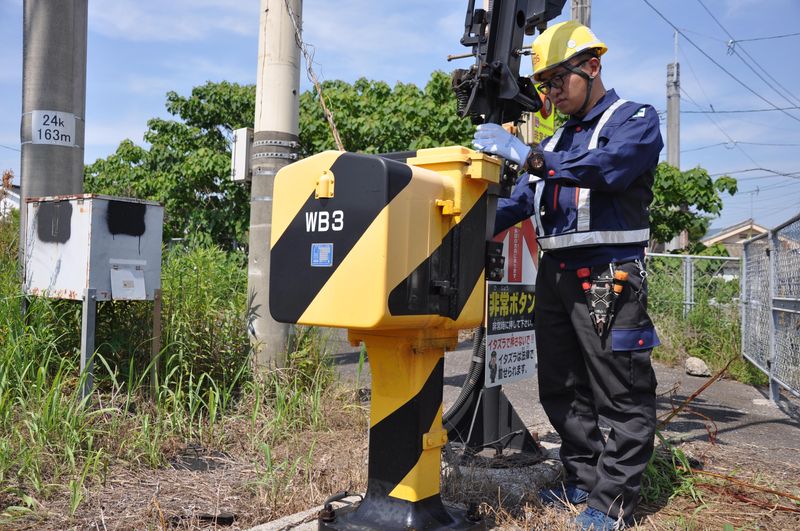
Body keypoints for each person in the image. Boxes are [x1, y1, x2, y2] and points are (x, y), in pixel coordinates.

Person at [472, 20, 663, 531]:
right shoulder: (558, 138)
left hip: (608, 273)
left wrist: (532, 156)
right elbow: (517, 204)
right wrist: (456, 222)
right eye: (544, 85)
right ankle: (580, 477)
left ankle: (613, 502)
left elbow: (610, 168)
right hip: (555, 275)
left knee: (619, 391)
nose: (551, 93)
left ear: (593, 67)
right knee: (560, 385)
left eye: (559, 80)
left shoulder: (634, 119)